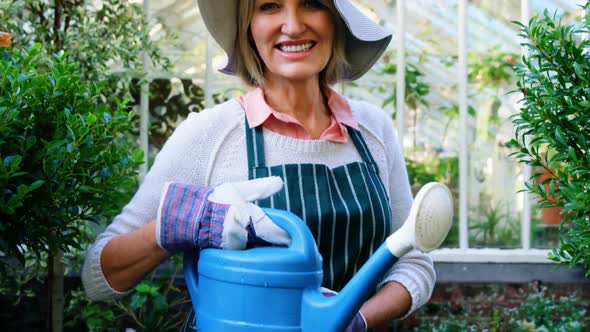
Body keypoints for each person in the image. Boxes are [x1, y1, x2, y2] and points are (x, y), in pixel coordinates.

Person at [82, 0, 435, 331]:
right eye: (269, 6)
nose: (293, 26)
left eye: (312, 3)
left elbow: (412, 260)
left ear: (336, 20)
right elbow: (98, 276)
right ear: (249, 27)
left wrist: (350, 321)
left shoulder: (373, 129)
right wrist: (176, 223)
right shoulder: (208, 136)